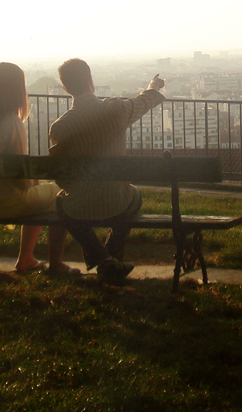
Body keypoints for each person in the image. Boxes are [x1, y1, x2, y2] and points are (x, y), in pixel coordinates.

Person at [48, 58, 165, 284]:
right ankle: (111, 259)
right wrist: (153, 86)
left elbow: (62, 179)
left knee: (62, 203)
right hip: (116, 200)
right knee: (135, 196)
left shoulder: (59, 127)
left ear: (65, 88)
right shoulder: (115, 110)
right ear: (91, 81)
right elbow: (144, 101)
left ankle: (104, 260)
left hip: (78, 205)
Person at [0, 62, 75, 275]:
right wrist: (33, 183)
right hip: (4, 202)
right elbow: (21, 175)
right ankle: (50, 263)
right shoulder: (11, 122)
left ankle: (27, 259)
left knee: (39, 194)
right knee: (60, 194)